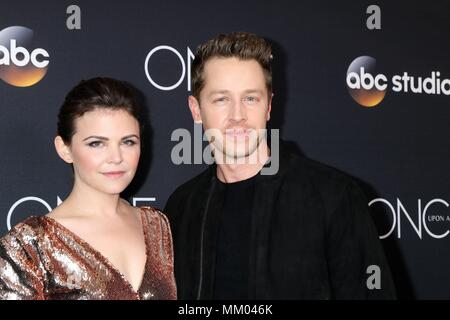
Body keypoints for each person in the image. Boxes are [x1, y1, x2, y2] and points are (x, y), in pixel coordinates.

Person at [164, 32, 396, 299]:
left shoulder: (334, 196)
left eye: (251, 98)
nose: (237, 116)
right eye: (221, 100)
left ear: (269, 105)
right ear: (196, 109)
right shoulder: (181, 208)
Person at [0, 77, 176, 300]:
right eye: (96, 143)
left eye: (128, 142)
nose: (116, 157)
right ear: (65, 149)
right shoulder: (31, 246)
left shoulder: (157, 227)